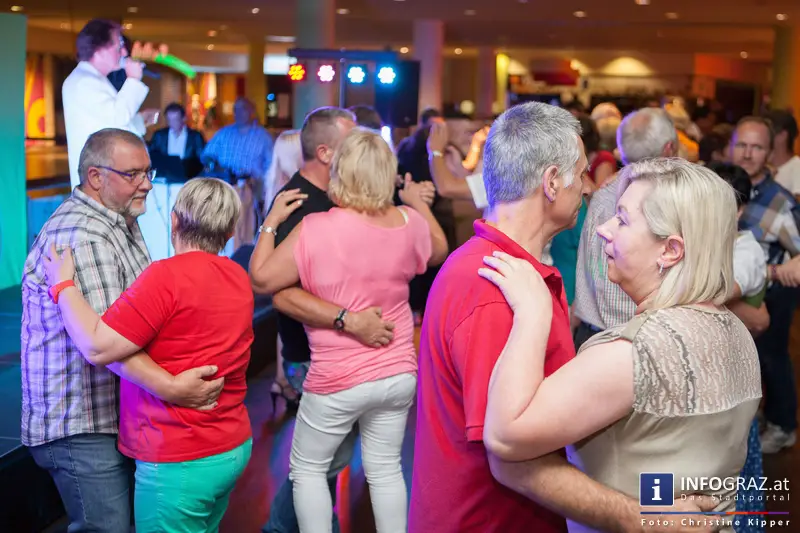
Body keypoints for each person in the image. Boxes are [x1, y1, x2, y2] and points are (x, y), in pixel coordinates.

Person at [410, 102, 713, 533]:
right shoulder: (495, 291)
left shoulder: (511, 273)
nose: (589, 189)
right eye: (581, 174)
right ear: (552, 182)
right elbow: (513, 459)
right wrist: (648, 516)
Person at [480, 158, 761, 533]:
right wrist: (652, 510)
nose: (602, 229)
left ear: (670, 251)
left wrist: (533, 313)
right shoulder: (737, 333)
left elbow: (503, 439)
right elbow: (676, 473)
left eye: (623, 220)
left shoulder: (633, 352)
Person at [21, 128, 221, 533]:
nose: (147, 183)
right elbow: (110, 342)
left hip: (108, 414)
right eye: (134, 174)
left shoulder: (119, 221)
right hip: (81, 422)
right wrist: (174, 388)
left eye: (147, 172)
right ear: (96, 177)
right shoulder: (86, 234)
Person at [251, 127, 447, 533]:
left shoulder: (317, 227)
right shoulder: (408, 222)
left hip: (338, 378)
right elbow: (440, 250)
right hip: (396, 372)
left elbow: (262, 279)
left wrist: (270, 221)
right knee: (386, 471)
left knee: (307, 471)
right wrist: (417, 205)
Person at [42, 177, 252, 532]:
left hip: (181, 456)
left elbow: (96, 346)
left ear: (173, 220)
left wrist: (62, 285)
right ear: (231, 231)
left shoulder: (166, 277)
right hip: (231, 448)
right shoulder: (236, 274)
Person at [572, 108, 678, 350]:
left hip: (592, 337)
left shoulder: (602, 197)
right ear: (669, 148)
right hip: (642, 340)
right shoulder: (676, 201)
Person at [731, 116, 800, 453]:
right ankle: (753, 417)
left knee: (771, 358)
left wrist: (778, 271)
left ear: (770, 152)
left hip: (770, 297)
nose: (747, 153)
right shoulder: (719, 183)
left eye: (756, 147)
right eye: (741, 144)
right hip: (730, 297)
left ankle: (783, 424)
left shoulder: (781, 202)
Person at [63, 19, 157, 189]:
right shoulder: (84, 81)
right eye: (118, 44)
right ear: (99, 49)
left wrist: (139, 121)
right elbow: (117, 118)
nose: (123, 51)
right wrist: (134, 79)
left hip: (107, 180)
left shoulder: (92, 80)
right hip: (100, 184)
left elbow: (109, 122)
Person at [202, 97, 274, 248]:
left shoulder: (263, 136)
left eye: (242, 109)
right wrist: (212, 165)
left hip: (250, 189)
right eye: (235, 110)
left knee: (244, 232)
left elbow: (271, 166)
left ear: (251, 112)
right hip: (224, 186)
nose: (238, 113)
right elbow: (207, 154)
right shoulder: (224, 133)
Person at [148, 102, 206, 172]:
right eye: (169, 120)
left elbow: (202, 158)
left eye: (175, 120)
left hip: (188, 175)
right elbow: (152, 156)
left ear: (184, 118)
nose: (172, 123)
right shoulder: (160, 135)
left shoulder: (195, 136)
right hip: (164, 175)